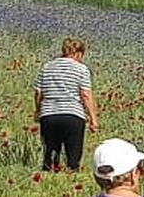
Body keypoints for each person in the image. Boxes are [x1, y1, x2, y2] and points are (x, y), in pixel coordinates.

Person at [34, 38, 99, 173]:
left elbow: (38, 92)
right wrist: (93, 119)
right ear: (78, 54)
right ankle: (71, 178)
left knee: (50, 154)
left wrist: (38, 110)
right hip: (72, 115)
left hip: (49, 115)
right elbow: (86, 95)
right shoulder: (81, 69)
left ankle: (48, 179)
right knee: (73, 157)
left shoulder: (47, 67)